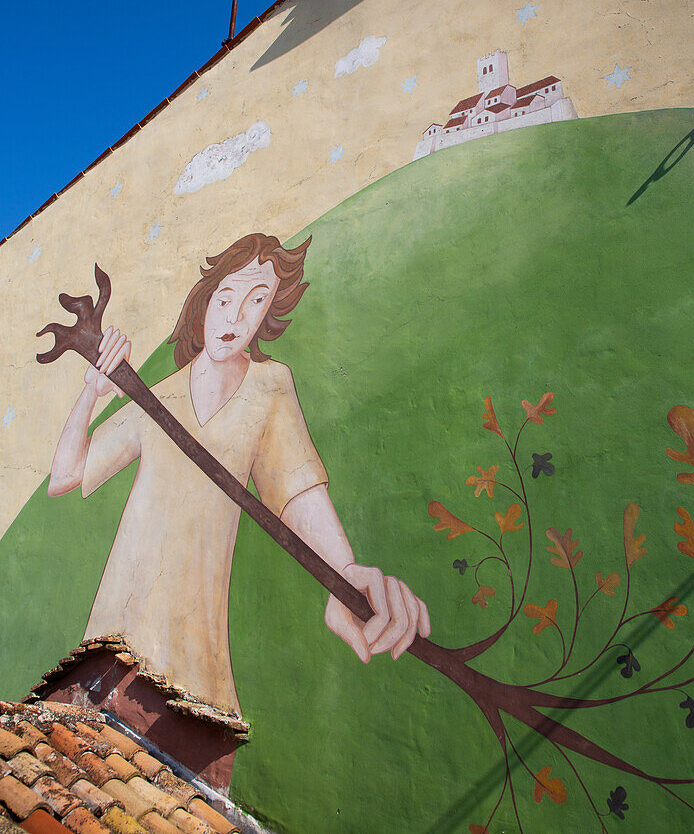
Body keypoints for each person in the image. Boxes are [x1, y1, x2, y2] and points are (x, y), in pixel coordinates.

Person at [48, 233, 430, 716]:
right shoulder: (156, 396)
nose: (235, 316)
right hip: (112, 638)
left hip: (196, 660)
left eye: (256, 301)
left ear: (268, 314)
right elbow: (65, 476)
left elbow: (295, 487)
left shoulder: (270, 386)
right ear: (203, 305)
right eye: (225, 298)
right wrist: (91, 390)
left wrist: (344, 576)